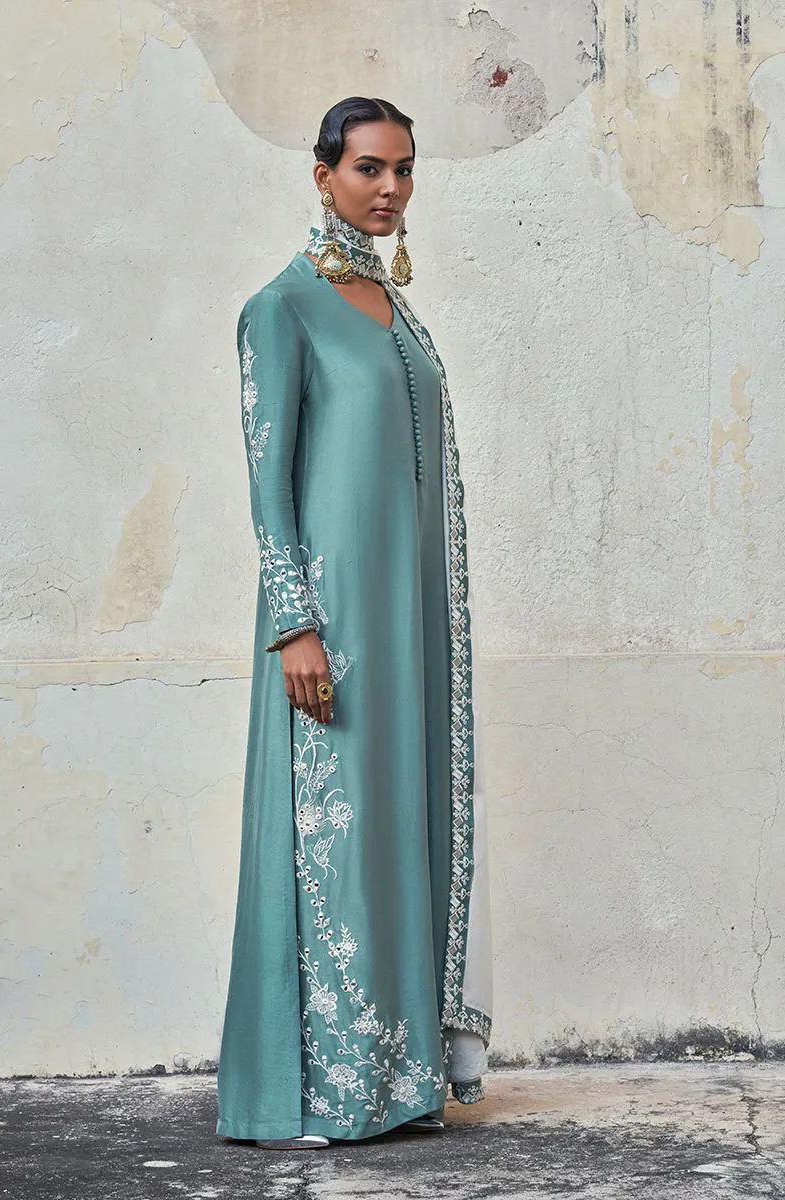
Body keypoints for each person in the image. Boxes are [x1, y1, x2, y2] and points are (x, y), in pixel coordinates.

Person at [216, 96, 492, 1150]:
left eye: (404, 169)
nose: (390, 188)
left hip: (407, 624)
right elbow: (268, 481)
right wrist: (295, 624)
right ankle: (322, 1088)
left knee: (393, 831)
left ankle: (398, 1081)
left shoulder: (393, 310)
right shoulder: (282, 308)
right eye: (369, 167)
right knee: (334, 842)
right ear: (323, 173)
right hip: (331, 628)